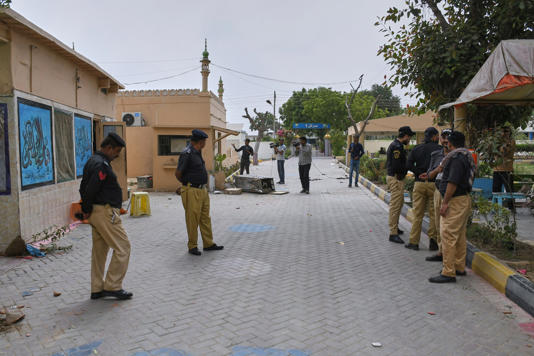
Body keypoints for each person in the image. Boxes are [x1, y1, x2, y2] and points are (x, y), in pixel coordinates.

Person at [80, 133, 132, 300]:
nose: (117, 155)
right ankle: (113, 285)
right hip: (105, 212)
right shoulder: (101, 165)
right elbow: (90, 189)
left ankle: (97, 288)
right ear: (108, 148)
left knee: (100, 251)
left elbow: (83, 187)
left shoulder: (92, 161)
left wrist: (87, 209)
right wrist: (86, 209)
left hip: (97, 212)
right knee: (123, 247)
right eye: (116, 151)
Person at [429, 131, 475, 283]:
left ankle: (448, 272)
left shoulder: (456, 158)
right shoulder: (466, 155)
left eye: (447, 142)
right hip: (463, 199)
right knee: (460, 234)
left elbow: (452, 182)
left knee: (447, 234)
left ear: (450, 143)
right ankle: (458, 266)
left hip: (455, 201)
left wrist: (445, 202)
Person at [176, 129, 224, 256]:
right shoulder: (187, 153)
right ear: (200, 141)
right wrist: (186, 185)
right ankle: (192, 246)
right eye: (204, 141)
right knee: (192, 219)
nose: (205, 143)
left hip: (202, 190)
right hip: (192, 190)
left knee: (205, 218)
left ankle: (208, 244)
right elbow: (178, 173)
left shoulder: (197, 152)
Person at [405, 127, 441, 251]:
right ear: (434, 136)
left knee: (417, 214)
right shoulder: (440, 150)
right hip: (434, 184)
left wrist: (418, 172)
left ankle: (414, 242)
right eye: (438, 136)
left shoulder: (416, 149)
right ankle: (433, 241)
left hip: (419, 184)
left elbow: (408, 164)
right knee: (433, 214)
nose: (439, 138)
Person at [422, 129, 451, 262]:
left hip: (452, 194)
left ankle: (449, 255)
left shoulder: (456, 155)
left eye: (448, 137)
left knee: (449, 226)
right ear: (439, 138)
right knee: (438, 223)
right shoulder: (436, 154)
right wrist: (435, 171)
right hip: (438, 191)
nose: (445, 140)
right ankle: (441, 251)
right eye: (443, 137)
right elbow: (429, 173)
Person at [386, 126, 415, 244]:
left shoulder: (397, 145)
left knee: (398, 204)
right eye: (410, 137)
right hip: (396, 178)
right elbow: (397, 165)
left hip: (396, 178)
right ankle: (393, 233)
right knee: (395, 206)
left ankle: (395, 228)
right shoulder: (397, 147)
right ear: (406, 136)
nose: (410, 139)